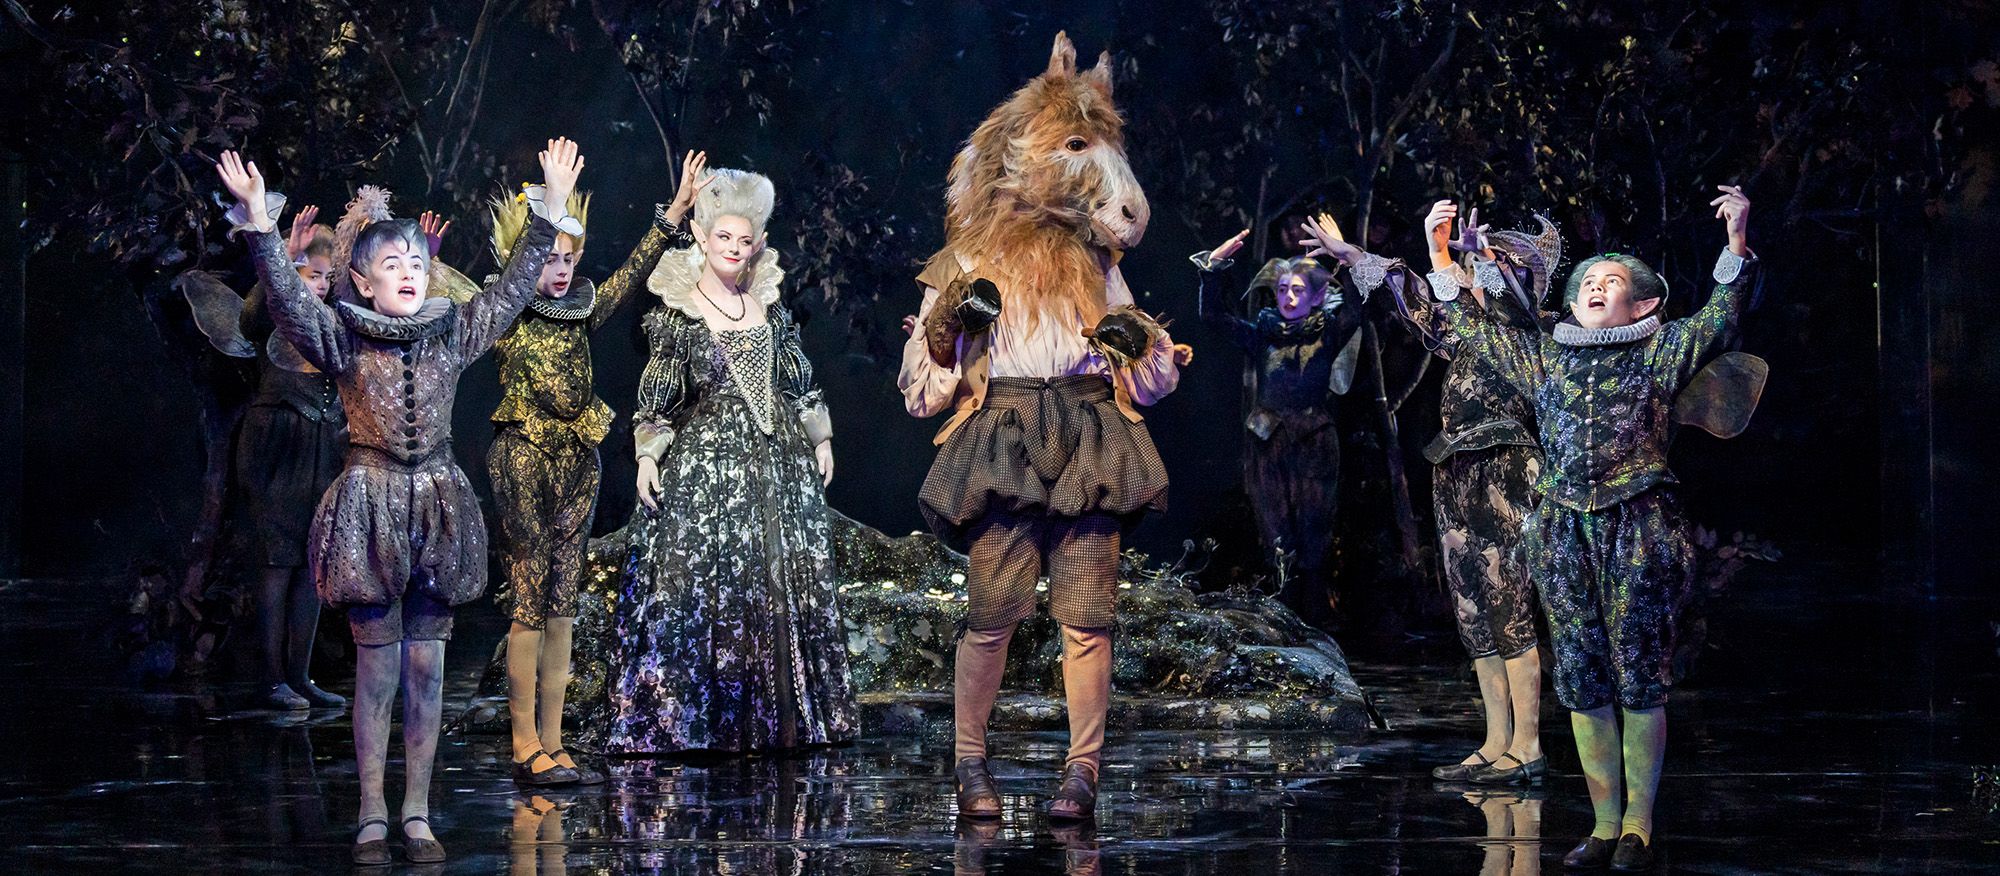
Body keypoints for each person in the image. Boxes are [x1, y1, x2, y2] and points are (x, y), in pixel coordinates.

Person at [214, 139, 584, 865]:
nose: (410, 272)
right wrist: (260, 225)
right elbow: (287, 303)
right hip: (371, 509)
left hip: (436, 510)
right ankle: (372, 811)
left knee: (426, 671)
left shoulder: (452, 335)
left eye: (417, 261)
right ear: (362, 280)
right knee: (378, 672)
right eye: (392, 264)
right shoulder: (345, 340)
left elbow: (511, 293)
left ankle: (416, 810)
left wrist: (548, 210)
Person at [1424, 187, 1756, 871]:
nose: (1598, 288)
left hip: (1638, 525)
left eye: (1613, 282)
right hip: (1562, 530)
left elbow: (1721, 316)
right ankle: (1604, 825)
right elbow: (1477, 331)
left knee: (1638, 674)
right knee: (1580, 676)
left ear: (1643, 305)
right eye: (1588, 283)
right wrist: (1440, 256)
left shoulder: (1658, 352)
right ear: (1573, 304)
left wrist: (1736, 243)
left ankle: (1638, 825)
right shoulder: (1548, 357)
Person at [899, 33, 1183, 822]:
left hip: (1089, 436)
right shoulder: (965, 258)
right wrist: (944, 333)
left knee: (1089, 618)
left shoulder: (1098, 263)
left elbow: (1150, 376)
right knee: (991, 616)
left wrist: (1139, 344)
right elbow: (922, 389)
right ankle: (971, 765)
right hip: (1007, 439)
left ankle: (1082, 772)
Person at [601, 161, 857, 755]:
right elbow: (660, 393)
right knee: (708, 584)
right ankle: (701, 722)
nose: (735, 249)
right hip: (709, 469)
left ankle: (776, 721)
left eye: (745, 240)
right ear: (701, 236)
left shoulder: (769, 308)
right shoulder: (680, 312)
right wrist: (648, 455)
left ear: (758, 244)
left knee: (773, 581)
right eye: (724, 237)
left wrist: (820, 437)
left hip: (777, 466)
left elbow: (795, 378)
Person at [485, 153, 694, 786]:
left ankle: (552, 739)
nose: (559, 269)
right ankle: (523, 741)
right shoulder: (506, 312)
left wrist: (672, 216)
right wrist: (549, 207)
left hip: (578, 457)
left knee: (563, 604)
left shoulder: (579, 308)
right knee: (528, 599)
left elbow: (630, 276)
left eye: (568, 259)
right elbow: (514, 281)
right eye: (548, 257)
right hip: (524, 454)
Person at [1190, 225, 1367, 626]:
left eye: (1298, 290)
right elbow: (1214, 316)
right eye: (1283, 289)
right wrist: (1213, 269)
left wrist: (1346, 256)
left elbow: (1355, 311)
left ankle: (1315, 618)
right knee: (1276, 533)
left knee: (1314, 532)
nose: (1288, 297)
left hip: (1314, 440)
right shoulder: (1263, 335)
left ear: (1316, 296)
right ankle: (1283, 614)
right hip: (1268, 441)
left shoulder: (1328, 334)